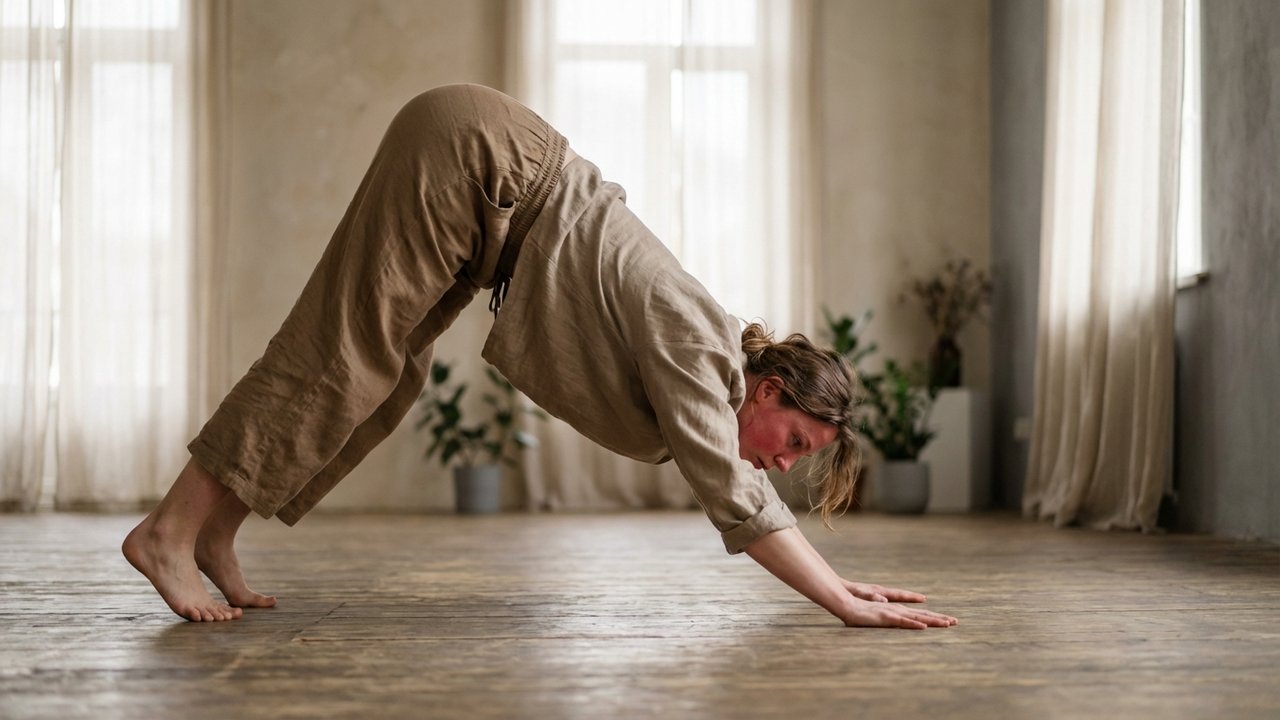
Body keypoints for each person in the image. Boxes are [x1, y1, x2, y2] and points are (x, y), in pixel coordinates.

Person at [123, 84, 957, 630]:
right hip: (477, 161)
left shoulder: (711, 360)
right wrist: (843, 601)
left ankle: (214, 536)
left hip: (491, 195)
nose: (780, 462)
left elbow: (745, 488)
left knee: (382, 376)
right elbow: (736, 498)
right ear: (769, 388)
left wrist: (844, 588)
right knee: (336, 356)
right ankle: (168, 533)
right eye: (795, 442)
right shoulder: (704, 354)